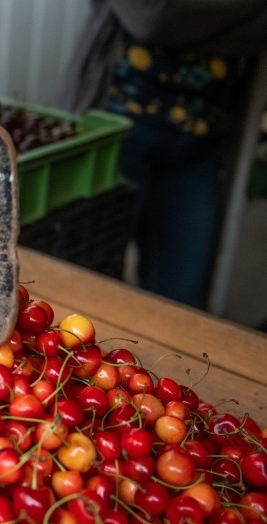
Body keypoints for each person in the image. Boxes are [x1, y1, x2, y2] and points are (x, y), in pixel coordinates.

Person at [60, 1, 267, 308]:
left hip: (199, 146)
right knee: (85, 288)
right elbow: (152, 16)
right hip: (118, 130)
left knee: (181, 302)